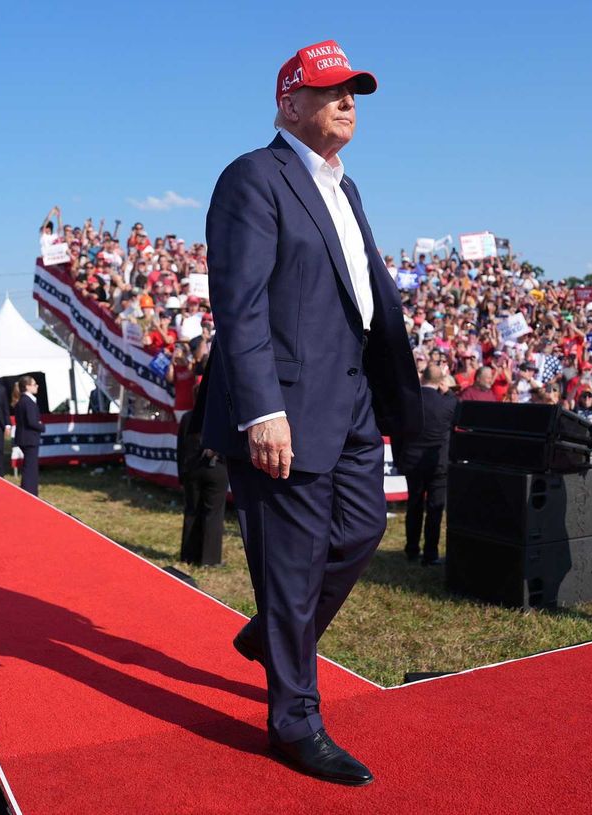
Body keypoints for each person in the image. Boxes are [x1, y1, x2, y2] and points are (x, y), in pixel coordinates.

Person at [199, 39, 420, 786]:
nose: (348, 100)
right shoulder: (253, 178)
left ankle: (274, 635)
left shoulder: (345, 188)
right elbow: (241, 303)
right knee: (290, 572)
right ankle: (294, 720)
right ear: (288, 104)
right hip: (284, 405)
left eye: (354, 90)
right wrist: (262, 408)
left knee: (363, 530)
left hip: (351, 398)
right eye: (331, 90)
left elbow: (362, 300)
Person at [398, 364, 457, 566]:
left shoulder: (410, 403)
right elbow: (455, 402)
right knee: (434, 510)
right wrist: (447, 390)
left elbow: (399, 433)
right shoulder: (447, 404)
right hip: (438, 465)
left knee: (414, 506)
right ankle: (430, 554)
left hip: (413, 462)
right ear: (440, 381)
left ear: (422, 378)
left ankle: (412, 550)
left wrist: (401, 459)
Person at [177, 380, 228, 566]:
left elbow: (180, 448)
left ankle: (188, 555)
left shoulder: (187, 417)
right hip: (216, 470)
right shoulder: (220, 418)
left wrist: (181, 474)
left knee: (191, 511)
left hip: (192, 470)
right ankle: (209, 558)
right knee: (213, 513)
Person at [13, 376, 45, 496]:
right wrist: (41, 426)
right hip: (29, 438)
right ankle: (30, 492)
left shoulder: (22, 401)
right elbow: (31, 421)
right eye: (34, 384)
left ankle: (29, 490)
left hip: (24, 437)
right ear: (27, 386)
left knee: (29, 467)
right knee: (30, 468)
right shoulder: (28, 402)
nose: (36, 386)